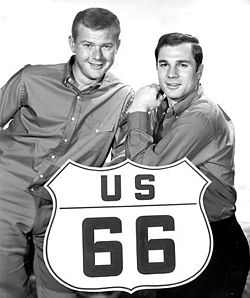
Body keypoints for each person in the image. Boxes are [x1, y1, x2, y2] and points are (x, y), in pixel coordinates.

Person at [0, 7, 134, 298]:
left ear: (117, 46)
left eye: (106, 46)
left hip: (64, 211)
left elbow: (128, 161)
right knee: (6, 290)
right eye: (88, 45)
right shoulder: (31, 78)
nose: (97, 57)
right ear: (73, 44)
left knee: (61, 294)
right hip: (7, 198)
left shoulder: (124, 97)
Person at [126, 32, 250, 297]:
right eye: (163, 64)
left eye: (182, 65)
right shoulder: (164, 110)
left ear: (199, 71)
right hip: (180, 237)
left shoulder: (201, 115)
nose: (171, 74)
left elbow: (144, 170)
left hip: (213, 243)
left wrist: (137, 110)